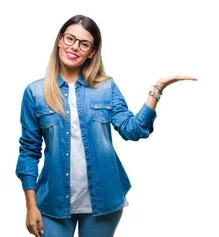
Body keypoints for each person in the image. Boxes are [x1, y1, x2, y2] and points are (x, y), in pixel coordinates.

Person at [16, 14, 196, 237]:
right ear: (60, 40)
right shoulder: (35, 93)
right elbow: (29, 152)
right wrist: (30, 205)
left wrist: (156, 90)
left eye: (84, 44)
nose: (75, 47)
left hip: (103, 200)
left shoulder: (106, 88)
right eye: (70, 39)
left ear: (92, 52)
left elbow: (133, 130)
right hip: (52, 202)